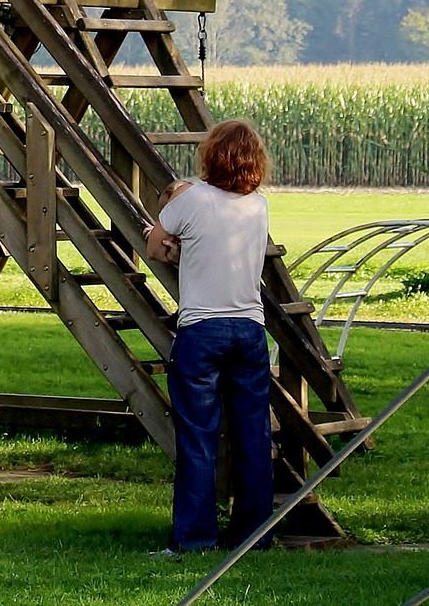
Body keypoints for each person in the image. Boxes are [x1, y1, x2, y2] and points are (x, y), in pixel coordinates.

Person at [145, 119, 274, 553]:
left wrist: (170, 244)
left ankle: (195, 538)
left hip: (202, 328)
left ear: (211, 155)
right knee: (252, 436)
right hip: (250, 329)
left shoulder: (192, 199)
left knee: (198, 437)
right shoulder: (258, 205)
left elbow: (155, 246)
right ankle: (254, 533)